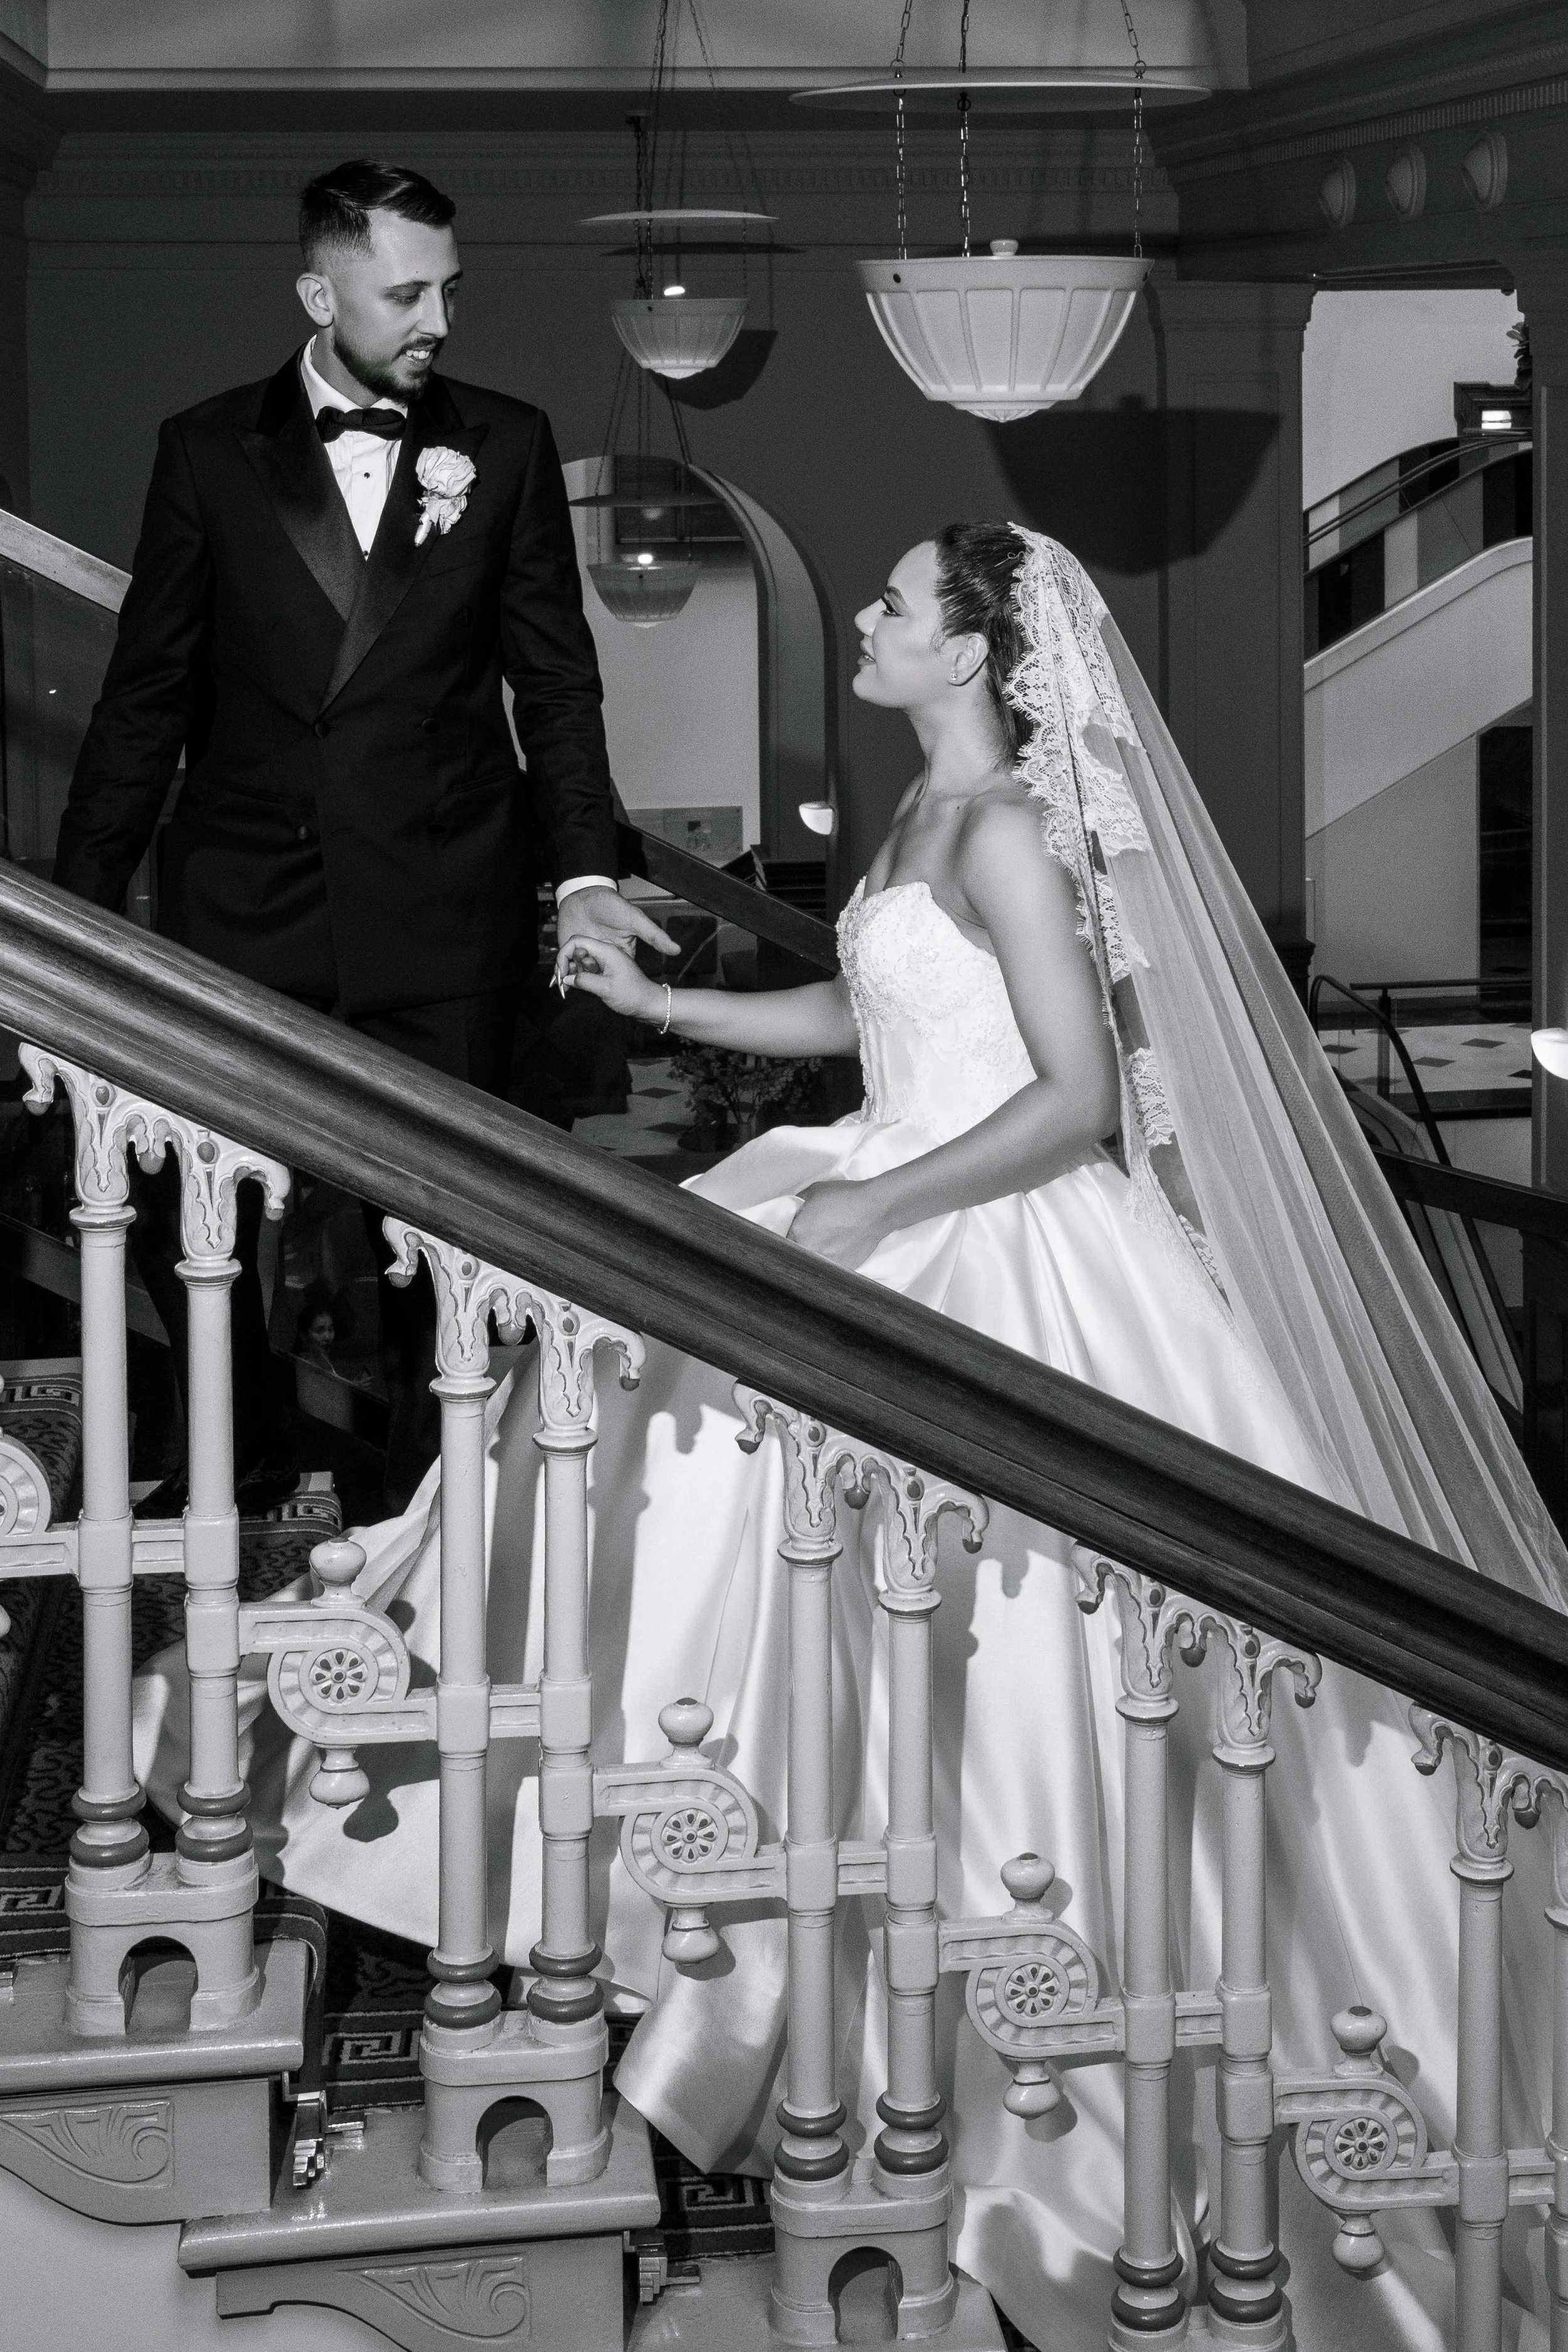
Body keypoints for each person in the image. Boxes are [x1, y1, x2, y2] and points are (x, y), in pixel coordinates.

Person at [136, 524, 1566, 2346]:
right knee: (672, 1490)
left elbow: (1069, 1099)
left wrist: (875, 1215)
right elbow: (869, 1013)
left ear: (975, 653)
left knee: (993, 1651)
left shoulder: (1010, 833)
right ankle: (725, 1941)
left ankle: (998, 2060)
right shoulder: (913, 821)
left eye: (894, 606)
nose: (871, 623)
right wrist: (673, 1005)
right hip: (879, 1180)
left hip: (995, 1245)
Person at [51, 156, 674, 1509]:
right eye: (405, 293)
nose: (436, 319)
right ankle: (243, 1437)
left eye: (448, 288)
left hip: (440, 905)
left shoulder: (500, 443)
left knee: (445, 1233)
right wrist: (73, 920)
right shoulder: (206, 447)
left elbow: (554, 685)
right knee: (198, 1208)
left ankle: (424, 1511)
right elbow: (146, 694)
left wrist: (579, 871)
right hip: (245, 907)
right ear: (317, 291)